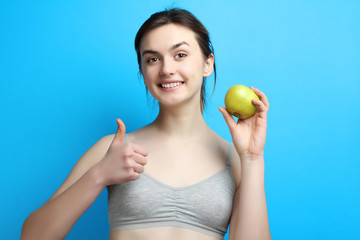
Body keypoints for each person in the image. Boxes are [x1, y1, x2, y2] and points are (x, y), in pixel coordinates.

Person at [21, 8, 271, 240]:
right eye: (152, 59)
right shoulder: (113, 149)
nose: (167, 69)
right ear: (142, 71)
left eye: (180, 55)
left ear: (208, 64)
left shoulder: (236, 159)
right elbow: (32, 236)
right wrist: (98, 176)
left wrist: (252, 158)